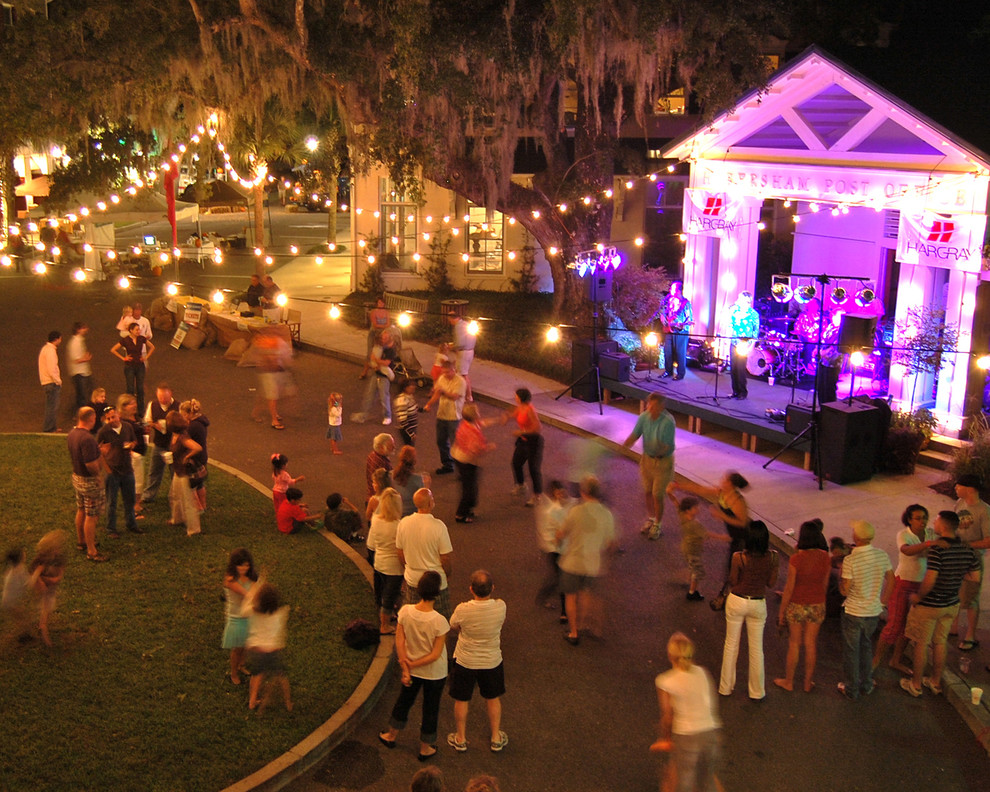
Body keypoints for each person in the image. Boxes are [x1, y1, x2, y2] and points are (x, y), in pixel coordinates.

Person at [901, 511, 981, 697]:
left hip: (930, 604)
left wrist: (918, 597)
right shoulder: (967, 549)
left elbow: (930, 579)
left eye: (936, 520)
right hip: (951, 603)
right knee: (940, 642)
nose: (933, 523)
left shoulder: (938, 549)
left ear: (943, 526)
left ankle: (916, 684)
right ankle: (935, 682)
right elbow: (974, 578)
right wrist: (955, 579)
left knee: (921, 643)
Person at [378, 571, 449, 761]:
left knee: (404, 701)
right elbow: (435, 654)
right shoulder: (440, 621)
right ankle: (425, 747)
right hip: (435, 673)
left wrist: (406, 666)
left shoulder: (405, 612)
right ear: (437, 593)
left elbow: (399, 640)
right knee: (431, 708)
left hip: (411, 671)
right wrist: (413, 664)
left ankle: (391, 735)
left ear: (418, 590)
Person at [446, 570, 509, 754]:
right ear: (493, 588)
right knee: (492, 698)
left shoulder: (463, 609)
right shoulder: (500, 607)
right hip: (492, 661)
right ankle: (496, 737)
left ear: (471, 589)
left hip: (466, 660)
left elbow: (454, 625)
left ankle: (461, 738)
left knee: (462, 698)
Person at [652, 632, 722, 792]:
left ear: (670, 655)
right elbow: (711, 703)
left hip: (686, 735)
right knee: (708, 781)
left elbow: (667, 716)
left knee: (683, 782)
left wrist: (665, 738)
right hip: (710, 733)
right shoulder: (703, 672)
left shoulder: (665, 681)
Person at [671, 472, 751, 608]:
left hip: (743, 537)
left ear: (731, 484)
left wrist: (721, 516)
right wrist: (678, 486)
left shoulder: (738, 501)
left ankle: (735, 598)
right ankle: (733, 596)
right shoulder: (721, 493)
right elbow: (700, 489)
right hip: (734, 536)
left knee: (735, 566)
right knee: (733, 567)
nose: (722, 480)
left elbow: (743, 523)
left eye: (725, 479)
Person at [718, 520, 778, 700]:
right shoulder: (773, 558)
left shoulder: (739, 557)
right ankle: (757, 691)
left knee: (731, 645)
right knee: (756, 649)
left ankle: (725, 687)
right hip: (758, 602)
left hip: (737, 601)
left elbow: (733, 580)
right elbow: (771, 583)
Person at [557, 475, 616, 645]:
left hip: (573, 561)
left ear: (583, 492)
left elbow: (562, 533)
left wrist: (557, 539)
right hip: (592, 564)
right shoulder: (607, 514)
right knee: (585, 594)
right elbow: (610, 542)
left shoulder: (575, 511)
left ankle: (574, 632)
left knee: (570, 597)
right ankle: (582, 623)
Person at [837, 520, 893, 700]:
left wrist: (840, 576)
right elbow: (891, 580)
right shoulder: (882, 555)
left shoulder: (850, 560)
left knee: (852, 651)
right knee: (867, 646)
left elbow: (844, 590)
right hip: (873, 611)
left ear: (856, 537)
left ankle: (852, 688)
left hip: (853, 611)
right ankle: (867, 683)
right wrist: (882, 602)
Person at [874, 505, 932, 674]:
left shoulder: (931, 533)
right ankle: (875, 660)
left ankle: (896, 660)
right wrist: (929, 544)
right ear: (909, 519)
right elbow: (906, 550)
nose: (922, 521)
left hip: (921, 586)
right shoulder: (904, 534)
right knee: (894, 625)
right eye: (918, 518)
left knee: (909, 627)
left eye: (924, 517)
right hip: (903, 584)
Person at [774, 519, 830, 692]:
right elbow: (824, 585)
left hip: (797, 604)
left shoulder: (796, 560)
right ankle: (807, 682)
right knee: (811, 643)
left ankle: (789, 681)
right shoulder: (825, 558)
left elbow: (789, 588)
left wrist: (782, 612)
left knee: (794, 643)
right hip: (817, 603)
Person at [622, 392, 676, 539]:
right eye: (648, 405)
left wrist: (656, 449)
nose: (649, 408)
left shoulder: (668, 422)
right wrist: (623, 447)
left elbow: (666, 447)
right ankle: (651, 518)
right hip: (647, 459)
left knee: (657, 494)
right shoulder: (644, 417)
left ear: (661, 406)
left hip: (663, 462)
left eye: (653, 406)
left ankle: (658, 524)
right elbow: (635, 435)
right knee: (647, 491)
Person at [396, 488, 454, 619]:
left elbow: (400, 552)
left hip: (413, 579)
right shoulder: (438, 527)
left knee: (414, 618)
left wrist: (407, 567)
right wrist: (447, 574)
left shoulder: (404, 523)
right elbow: (445, 558)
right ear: (430, 503)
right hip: (436, 581)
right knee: (440, 619)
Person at [952, 473, 990, 651]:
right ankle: (953, 627)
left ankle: (970, 635)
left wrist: (967, 545)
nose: (955, 488)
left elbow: (988, 540)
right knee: (955, 592)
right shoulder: (960, 503)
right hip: (957, 557)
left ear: (969, 488)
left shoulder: (984, 510)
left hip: (972, 560)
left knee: (971, 597)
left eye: (958, 485)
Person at [668, 494, 730, 601]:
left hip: (686, 547)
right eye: (695, 507)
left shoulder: (682, 515)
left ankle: (689, 580)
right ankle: (692, 592)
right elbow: (707, 534)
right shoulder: (694, 525)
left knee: (693, 567)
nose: (698, 509)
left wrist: (671, 494)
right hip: (693, 550)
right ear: (688, 510)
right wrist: (723, 537)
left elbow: (676, 504)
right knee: (698, 571)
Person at [243, 580, 292, 712]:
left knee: (257, 675)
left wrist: (252, 594)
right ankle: (288, 702)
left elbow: (243, 610)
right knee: (281, 675)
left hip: (258, 650)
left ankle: (252, 701)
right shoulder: (280, 613)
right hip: (274, 650)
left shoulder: (253, 612)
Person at [67, 406, 108, 562]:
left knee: (81, 509)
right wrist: (98, 474)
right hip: (89, 482)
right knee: (92, 516)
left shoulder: (72, 434)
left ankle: (81, 541)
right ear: (91, 419)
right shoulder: (87, 439)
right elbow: (90, 463)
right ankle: (92, 550)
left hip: (77, 478)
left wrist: (96, 451)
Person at [96, 404, 143, 538]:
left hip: (127, 470)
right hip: (113, 472)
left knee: (130, 500)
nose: (112, 420)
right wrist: (108, 470)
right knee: (112, 501)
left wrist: (131, 445)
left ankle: (131, 524)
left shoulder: (127, 427)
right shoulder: (104, 432)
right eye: (108, 418)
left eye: (113, 416)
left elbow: (134, 441)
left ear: (119, 415)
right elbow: (98, 452)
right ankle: (111, 529)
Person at [368, 488, 404, 634]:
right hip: (394, 567)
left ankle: (383, 616)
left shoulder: (375, 520)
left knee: (381, 592)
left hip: (379, 562)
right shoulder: (399, 525)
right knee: (390, 596)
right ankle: (385, 625)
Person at [451, 403, 495, 523]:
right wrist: (488, 447)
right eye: (477, 412)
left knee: (470, 485)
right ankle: (461, 514)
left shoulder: (466, 424)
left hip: (459, 456)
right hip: (467, 461)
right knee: (469, 488)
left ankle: (468, 509)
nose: (479, 413)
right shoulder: (472, 432)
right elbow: (475, 450)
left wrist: (496, 421)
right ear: (474, 416)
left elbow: (482, 423)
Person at [535, 480, 571, 623]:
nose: (561, 494)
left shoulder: (566, 505)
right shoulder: (549, 510)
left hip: (564, 548)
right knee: (561, 579)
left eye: (562, 491)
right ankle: (564, 611)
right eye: (558, 492)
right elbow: (546, 533)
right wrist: (556, 539)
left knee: (559, 577)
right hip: (554, 550)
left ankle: (545, 595)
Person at [500, 388, 543, 507]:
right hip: (523, 441)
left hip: (533, 441)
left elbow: (538, 428)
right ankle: (521, 485)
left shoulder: (530, 410)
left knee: (533, 469)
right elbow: (514, 414)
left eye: (516, 396)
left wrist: (522, 432)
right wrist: (506, 416)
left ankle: (537, 495)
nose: (515, 397)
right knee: (516, 463)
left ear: (521, 397)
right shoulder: (521, 407)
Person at [423, 358, 466, 475]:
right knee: (441, 441)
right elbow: (437, 393)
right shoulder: (442, 378)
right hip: (441, 415)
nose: (445, 374)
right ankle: (447, 464)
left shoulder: (460, 381)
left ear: (454, 370)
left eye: (448, 372)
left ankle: (462, 469)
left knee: (455, 444)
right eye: (443, 372)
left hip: (454, 417)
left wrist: (443, 391)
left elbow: (455, 397)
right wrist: (429, 404)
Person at [222, 548, 258, 686]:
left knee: (245, 645)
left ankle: (241, 665)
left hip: (249, 616)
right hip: (236, 618)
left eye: (247, 565)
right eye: (241, 565)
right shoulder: (230, 579)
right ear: (234, 564)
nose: (244, 568)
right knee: (237, 648)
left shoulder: (252, 576)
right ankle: (234, 673)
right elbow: (246, 593)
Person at [166, 411, 202, 536]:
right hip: (178, 470)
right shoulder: (175, 435)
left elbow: (197, 447)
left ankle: (194, 529)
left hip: (184, 472)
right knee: (174, 496)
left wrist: (187, 456)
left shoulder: (182, 437)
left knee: (187, 501)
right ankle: (177, 518)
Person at [141, 382, 178, 505]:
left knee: (175, 472)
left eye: (164, 397)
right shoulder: (153, 405)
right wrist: (153, 425)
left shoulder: (178, 406)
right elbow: (147, 421)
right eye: (160, 396)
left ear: (170, 394)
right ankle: (149, 495)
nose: (162, 399)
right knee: (154, 471)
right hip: (159, 443)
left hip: (173, 446)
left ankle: (175, 495)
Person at [29, 531, 67, 647]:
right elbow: (33, 575)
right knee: (46, 606)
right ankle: (43, 627)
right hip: (45, 588)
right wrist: (40, 581)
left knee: (47, 607)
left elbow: (59, 574)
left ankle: (42, 624)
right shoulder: (40, 560)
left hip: (50, 587)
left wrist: (51, 580)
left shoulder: (59, 558)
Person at [111, 322, 154, 418]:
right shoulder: (125, 340)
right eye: (137, 329)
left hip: (140, 366)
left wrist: (145, 357)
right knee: (130, 388)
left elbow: (152, 347)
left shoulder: (141, 339)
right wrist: (123, 358)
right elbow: (113, 349)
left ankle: (141, 410)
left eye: (139, 329)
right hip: (129, 366)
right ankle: (129, 410)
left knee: (140, 388)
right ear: (131, 330)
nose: (139, 331)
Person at [254, 327, 293, 430]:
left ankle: (256, 413)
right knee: (272, 396)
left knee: (268, 395)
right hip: (268, 373)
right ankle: (274, 420)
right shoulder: (264, 342)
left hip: (276, 371)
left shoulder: (277, 342)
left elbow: (286, 355)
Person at [357, 330, 398, 425]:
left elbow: (386, 363)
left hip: (384, 376)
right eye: (382, 338)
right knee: (369, 395)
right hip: (376, 373)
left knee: (384, 397)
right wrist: (375, 363)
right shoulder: (379, 347)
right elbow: (372, 357)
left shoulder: (390, 350)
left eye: (385, 338)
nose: (383, 340)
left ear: (389, 339)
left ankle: (387, 416)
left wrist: (376, 360)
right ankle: (363, 415)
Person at [724, 290, 759, 400]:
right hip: (734, 342)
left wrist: (751, 346)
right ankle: (735, 391)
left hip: (745, 344)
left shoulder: (753, 314)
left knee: (740, 368)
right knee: (733, 367)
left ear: (747, 301)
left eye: (740, 298)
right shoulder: (735, 311)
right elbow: (730, 325)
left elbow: (755, 332)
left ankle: (743, 392)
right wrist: (727, 338)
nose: (737, 300)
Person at [117, 394, 147, 513]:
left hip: (139, 453)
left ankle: (137, 504)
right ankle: (134, 507)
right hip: (132, 456)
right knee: (135, 482)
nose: (135, 405)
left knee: (139, 481)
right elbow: (122, 441)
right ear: (124, 407)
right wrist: (131, 451)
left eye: (135, 403)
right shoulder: (123, 422)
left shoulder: (135, 418)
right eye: (131, 404)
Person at [180, 399, 209, 512]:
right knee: (200, 484)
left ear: (188, 414)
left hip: (195, 459)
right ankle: (203, 505)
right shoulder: (201, 421)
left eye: (183, 414)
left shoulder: (192, 426)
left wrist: (186, 456)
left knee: (191, 486)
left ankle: (198, 507)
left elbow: (188, 441)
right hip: (202, 457)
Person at [661, 281, 694, 380]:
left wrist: (682, 325)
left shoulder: (686, 303)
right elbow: (664, 312)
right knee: (667, 351)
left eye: (672, 288)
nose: (670, 290)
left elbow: (689, 319)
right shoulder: (670, 301)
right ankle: (668, 371)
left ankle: (680, 374)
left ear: (678, 290)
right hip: (669, 329)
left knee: (680, 353)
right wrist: (663, 318)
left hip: (681, 331)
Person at [2, 547, 32, 642]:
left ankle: (24, 633)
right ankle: (24, 634)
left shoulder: (13, 569)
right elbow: (29, 583)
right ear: (20, 558)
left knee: (21, 616)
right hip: (10, 602)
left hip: (9, 601)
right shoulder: (19, 571)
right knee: (23, 617)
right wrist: (37, 573)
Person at [393, 445, 429, 518]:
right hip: (413, 515)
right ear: (414, 461)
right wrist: (427, 485)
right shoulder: (418, 479)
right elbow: (424, 500)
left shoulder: (392, 476)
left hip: (397, 513)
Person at [65, 321, 93, 410]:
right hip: (79, 373)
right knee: (82, 396)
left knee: (83, 395)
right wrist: (86, 358)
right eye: (83, 328)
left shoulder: (79, 341)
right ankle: (81, 414)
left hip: (83, 372)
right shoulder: (75, 342)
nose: (86, 329)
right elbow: (76, 359)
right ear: (78, 330)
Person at [361, 297, 391, 379]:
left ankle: (379, 372)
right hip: (374, 334)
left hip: (382, 335)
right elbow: (375, 325)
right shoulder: (373, 312)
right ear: (377, 304)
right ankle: (364, 372)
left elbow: (388, 323)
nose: (381, 304)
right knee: (370, 353)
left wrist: (382, 327)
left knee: (381, 353)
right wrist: (383, 326)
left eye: (382, 303)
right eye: (379, 303)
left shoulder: (386, 312)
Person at [449, 313, 476, 401]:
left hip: (463, 353)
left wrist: (452, 346)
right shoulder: (466, 324)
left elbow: (460, 343)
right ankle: (465, 394)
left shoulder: (458, 327)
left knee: (463, 375)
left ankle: (468, 396)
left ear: (452, 319)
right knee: (462, 373)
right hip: (470, 350)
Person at [39, 330, 62, 433]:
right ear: (56, 339)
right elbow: (51, 368)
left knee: (51, 406)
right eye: (60, 338)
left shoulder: (45, 349)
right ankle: (49, 429)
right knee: (52, 407)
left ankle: (52, 427)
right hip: (51, 382)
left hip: (47, 381)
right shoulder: (51, 351)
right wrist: (58, 381)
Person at [366, 433, 395, 500]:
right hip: (380, 499)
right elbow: (384, 484)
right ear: (381, 447)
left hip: (372, 495)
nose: (394, 447)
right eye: (391, 446)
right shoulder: (382, 463)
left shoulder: (372, 455)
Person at [394, 379, 420, 447]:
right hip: (406, 431)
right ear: (405, 388)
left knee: (410, 447)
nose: (414, 387)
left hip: (411, 429)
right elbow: (402, 420)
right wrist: (411, 433)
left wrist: (423, 409)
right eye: (411, 385)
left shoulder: (409, 396)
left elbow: (414, 407)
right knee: (408, 448)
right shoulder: (402, 400)